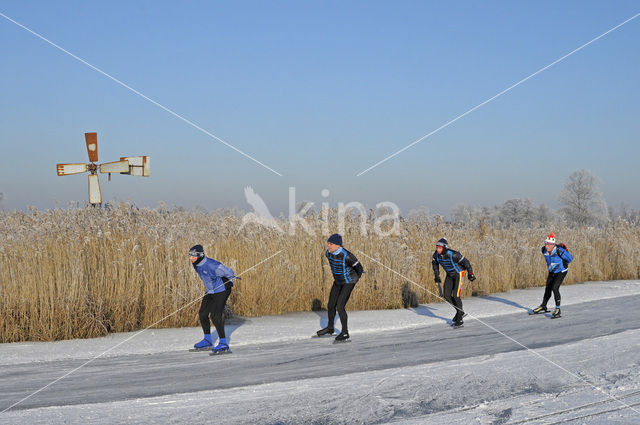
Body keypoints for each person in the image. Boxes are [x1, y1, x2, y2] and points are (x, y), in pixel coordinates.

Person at [316, 234, 364, 342]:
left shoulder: (347, 256)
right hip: (338, 281)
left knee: (340, 305)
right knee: (331, 304)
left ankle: (345, 333)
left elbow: (359, 269)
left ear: (338, 245)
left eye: (331, 244)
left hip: (348, 282)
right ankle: (330, 328)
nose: (328, 246)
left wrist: (354, 280)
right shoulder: (328, 253)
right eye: (328, 243)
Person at [189, 244, 236, 353]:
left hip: (222, 290)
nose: (190, 258)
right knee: (203, 314)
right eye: (190, 256)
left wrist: (229, 282)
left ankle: (223, 343)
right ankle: (207, 340)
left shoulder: (212, 265)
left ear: (200, 256)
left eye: (193, 256)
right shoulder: (196, 264)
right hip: (211, 290)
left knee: (215, 316)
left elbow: (230, 273)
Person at [432, 238, 476, 327]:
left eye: (439, 248)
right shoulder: (436, 255)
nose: (437, 249)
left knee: (456, 295)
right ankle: (460, 312)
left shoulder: (453, 254)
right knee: (446, 296)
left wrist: (470, 273)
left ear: (444, 248)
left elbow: (466, 263)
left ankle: (460, 318)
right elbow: (435, 264)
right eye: (437, 247)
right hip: (450, 275)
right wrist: (437, 276)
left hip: (459, 274)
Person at [531, 233, 573, 318]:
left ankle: (558, 309)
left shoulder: (559, 250)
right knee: (548, 288)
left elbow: (570, 259)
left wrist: (563, 264)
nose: (546, 246)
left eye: (548, 244)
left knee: (555, 287)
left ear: (553, 245)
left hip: (561, 271)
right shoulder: (543, 250)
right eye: (545, 243)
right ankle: (543, 306)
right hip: (552, 271)